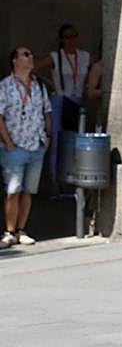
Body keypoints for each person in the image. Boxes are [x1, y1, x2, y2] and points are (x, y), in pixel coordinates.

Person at [0, 46, 52, 248]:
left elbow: (47, 111)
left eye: (31, 54)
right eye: (26, 54)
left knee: (28, 191)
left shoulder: (39, 86)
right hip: (14, 146)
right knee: (13, 190)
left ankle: (21, 230)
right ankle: (9, 231)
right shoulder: (4, 86)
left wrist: (47, 136)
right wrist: (8, 142)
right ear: (15, 60)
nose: (31, 57)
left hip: (35, 145)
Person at [37, 24, 91, 188]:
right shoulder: (55, 56)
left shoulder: (85, 56)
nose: (71, 40)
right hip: (60, 100)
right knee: (56, 140)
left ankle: (74, 178)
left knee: (77, 141)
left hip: (78, 101)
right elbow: (33, 69)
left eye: (74, 35)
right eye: (67, 37)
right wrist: (51, 84)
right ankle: (54, 180)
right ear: (62, 39)